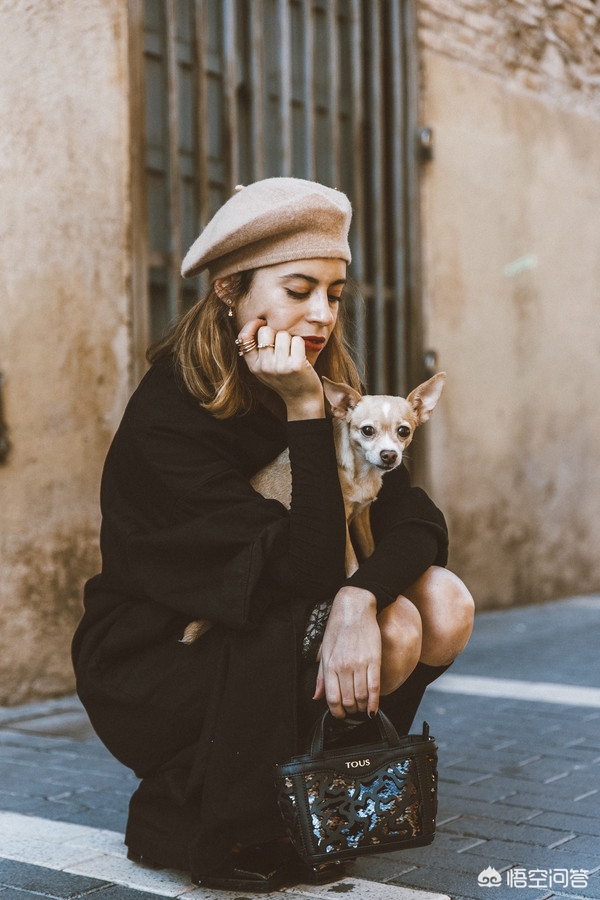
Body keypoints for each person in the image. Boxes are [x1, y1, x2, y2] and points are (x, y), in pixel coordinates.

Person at [72, 178, 474, 891]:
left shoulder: (325, 380)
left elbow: (414, 518)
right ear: (230, 288)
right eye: (298, 289)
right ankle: (248, 804)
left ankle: (332, 780)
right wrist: (302, 412)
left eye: (335, 292)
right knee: (396, 625)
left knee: (439, 603)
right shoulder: (172, 413)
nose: (322, 314)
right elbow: (304, 568)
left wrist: (358, 600)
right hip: (161, 652)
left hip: (269, 615)